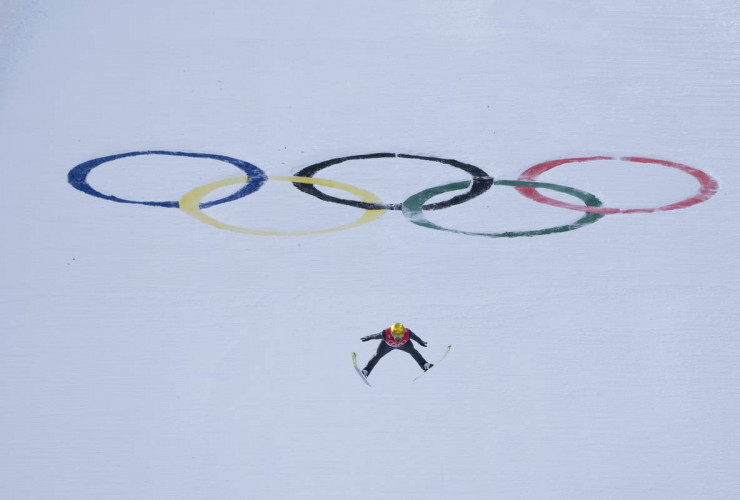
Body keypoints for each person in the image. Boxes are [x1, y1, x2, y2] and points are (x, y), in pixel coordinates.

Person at [360, 322, 433, 377]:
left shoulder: (407, 332)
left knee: (414, 352)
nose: (397, 338)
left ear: (403, 333)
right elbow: (376, 336)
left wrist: (420, 342)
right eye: (395, 335)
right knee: (377, 356)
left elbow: (415, 337)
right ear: (391, 333)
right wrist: (368, 337)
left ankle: (425, 366)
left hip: (404, 345)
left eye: (400, 335)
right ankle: (366, 371)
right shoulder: (386, 333)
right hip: (386, 346)